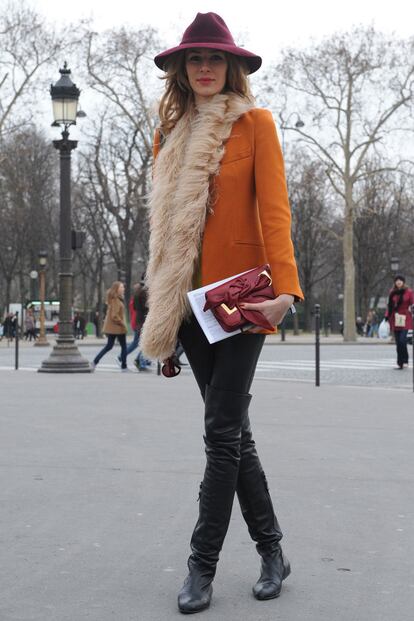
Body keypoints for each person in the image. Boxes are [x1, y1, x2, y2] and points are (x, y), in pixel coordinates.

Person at [139, 12, 304, 614]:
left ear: (231, 67)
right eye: (194, 60)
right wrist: (160, 312)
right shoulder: (169, 135)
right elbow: (164, 235)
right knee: (234, 433)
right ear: (181, 71)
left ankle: (200, 566)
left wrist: (286, 292)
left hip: (243, 301)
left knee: (219, 434)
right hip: (188, 306)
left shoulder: (255, 125)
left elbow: (277, 211)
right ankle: (273, 551)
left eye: (214, 59)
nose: (204, 68)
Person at [92, 281, 128, 370]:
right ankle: (124, 366)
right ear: (117, 289)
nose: (123, 289)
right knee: (123, 346)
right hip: (118, 328)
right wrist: (122, 323)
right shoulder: (116, 300)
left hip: (113, 328)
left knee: (109, 346)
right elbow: (114, 316)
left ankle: (95, 361)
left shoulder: (115, 299)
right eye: (121, 287)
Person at [116, 281, 151, 371]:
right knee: (144, 342)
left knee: (137, 342)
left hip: (138, 320)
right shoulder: (144, 292)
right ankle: (139, 361)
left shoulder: (137, 292)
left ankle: (135, 360)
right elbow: (146, 307)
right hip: (142, 321)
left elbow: (135, 307)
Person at [385, 275, 414, 369]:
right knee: (398, 342)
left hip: (405, 317)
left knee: (402, 340)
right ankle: (400, 363)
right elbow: (389, 305)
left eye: (400, 280)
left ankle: (405, 359)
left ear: (403, 282)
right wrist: (386, 316)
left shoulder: (409, 292)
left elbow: (412, 303)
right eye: (397, 280)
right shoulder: (392, 292)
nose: (398, 282)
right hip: (395, 317)